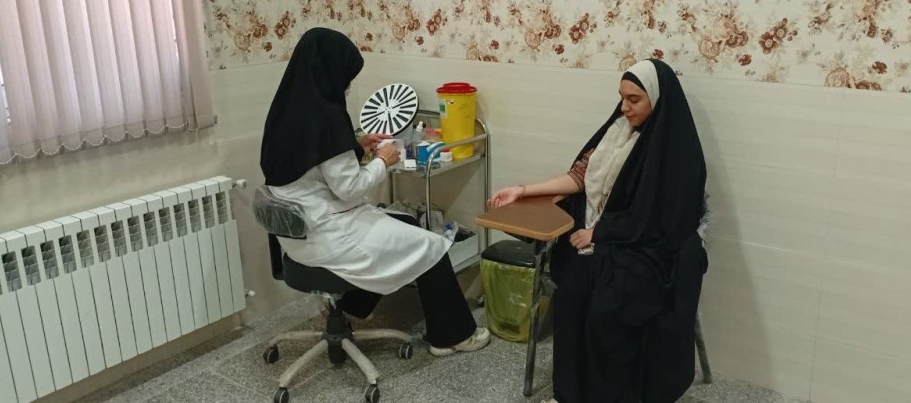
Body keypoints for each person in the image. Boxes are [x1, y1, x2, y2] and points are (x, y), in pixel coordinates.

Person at [260, 27, 489, 356]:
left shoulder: (287, 110)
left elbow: (312, 162)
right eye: (347, 76)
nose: (348, 85)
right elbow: (349, 188)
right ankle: (452, 337)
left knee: (406, 223)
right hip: (329, 238)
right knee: (434, 246)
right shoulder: (328, 117)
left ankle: (353, 308)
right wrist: (383, 159)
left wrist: (354, 145)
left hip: (297, 239)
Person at [489, 59, 709, 402]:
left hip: (651, 248)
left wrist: (602, 233)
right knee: (572, 292)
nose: (624, 107)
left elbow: (666, 217)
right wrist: (523, 190)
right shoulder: (616, 132)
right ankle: (569, 394)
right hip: (605, 237)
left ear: (657, 99)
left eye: (634, 100)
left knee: (610, 302)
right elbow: (580, 177)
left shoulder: (677, 151)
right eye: (622, 97)